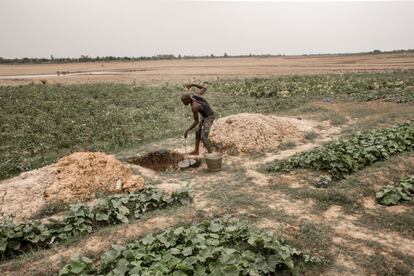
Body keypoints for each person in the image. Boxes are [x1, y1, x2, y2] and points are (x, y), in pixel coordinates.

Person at [181, 83, 215, 155]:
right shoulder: (196, 95)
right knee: (197, 132)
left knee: (204, 136)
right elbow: (205, 88)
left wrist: (188, 130)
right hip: (204, 115)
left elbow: (196, 121)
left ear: (188, 100)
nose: (183, 104)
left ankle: (212, 153)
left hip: (209, 117)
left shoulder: (194, 107)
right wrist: (193, 84)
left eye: (184, 102)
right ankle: (196, 151)